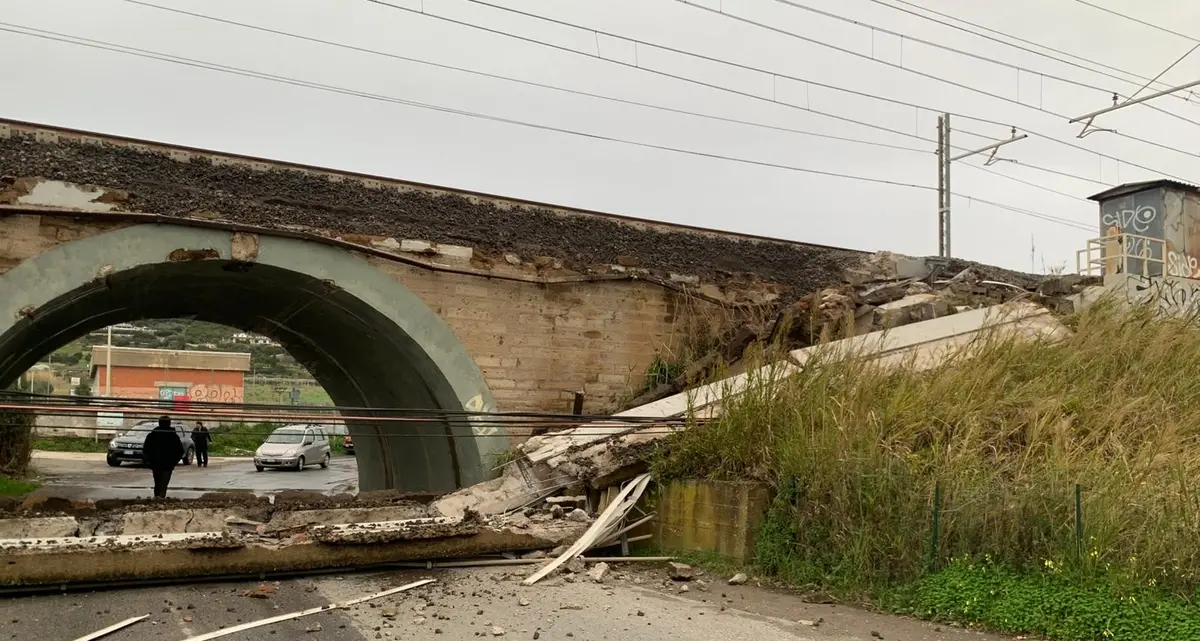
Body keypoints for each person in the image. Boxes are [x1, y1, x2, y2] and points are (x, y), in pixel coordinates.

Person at [143, 415, 184, 499]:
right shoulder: (173, 436)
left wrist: (149, 461)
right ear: (169, 423)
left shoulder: (152, 435)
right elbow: (180, 451)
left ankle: (157, 498)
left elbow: (146, 449)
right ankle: (161, 498)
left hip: (156, 463)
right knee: (163, 483)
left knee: (157, 482)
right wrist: (173, 462)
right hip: (167, 464)